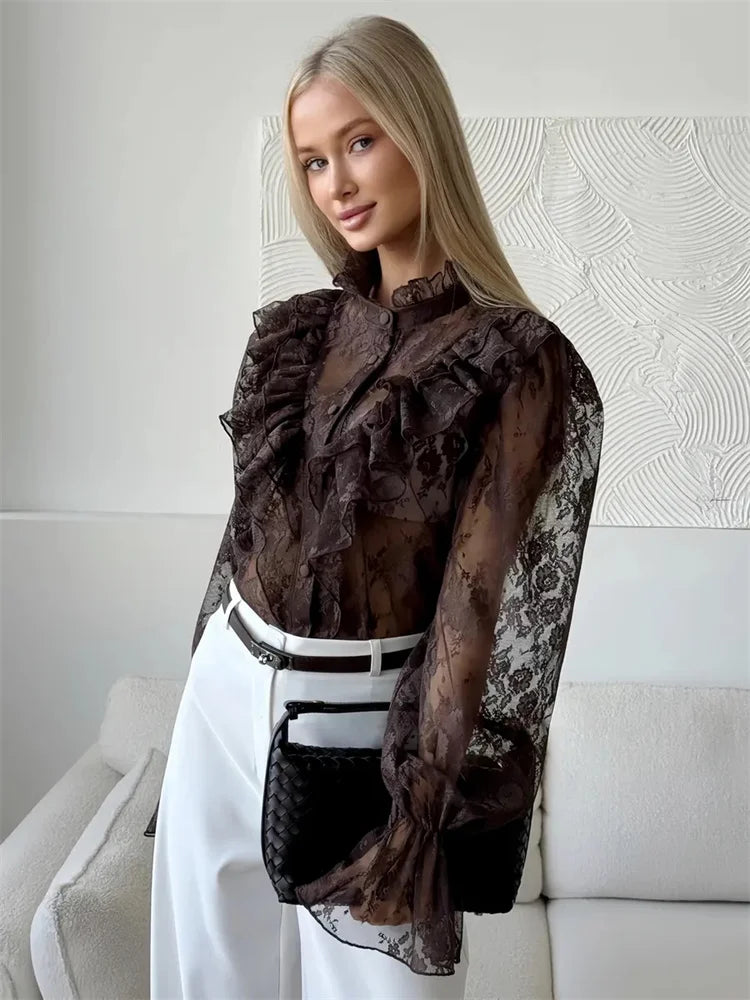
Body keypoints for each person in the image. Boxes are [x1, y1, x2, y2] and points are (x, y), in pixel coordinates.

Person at [148, 13, 604, 1000]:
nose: (337, 184)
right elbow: (245, 540)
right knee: (203, 983)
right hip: (226, 690)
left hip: (369, 727)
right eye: (313, 161)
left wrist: (423, 804)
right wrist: (195, 700)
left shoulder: (516, 360)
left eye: (359, 142)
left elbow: (478, 612)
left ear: (421, 132)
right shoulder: (301, 335)